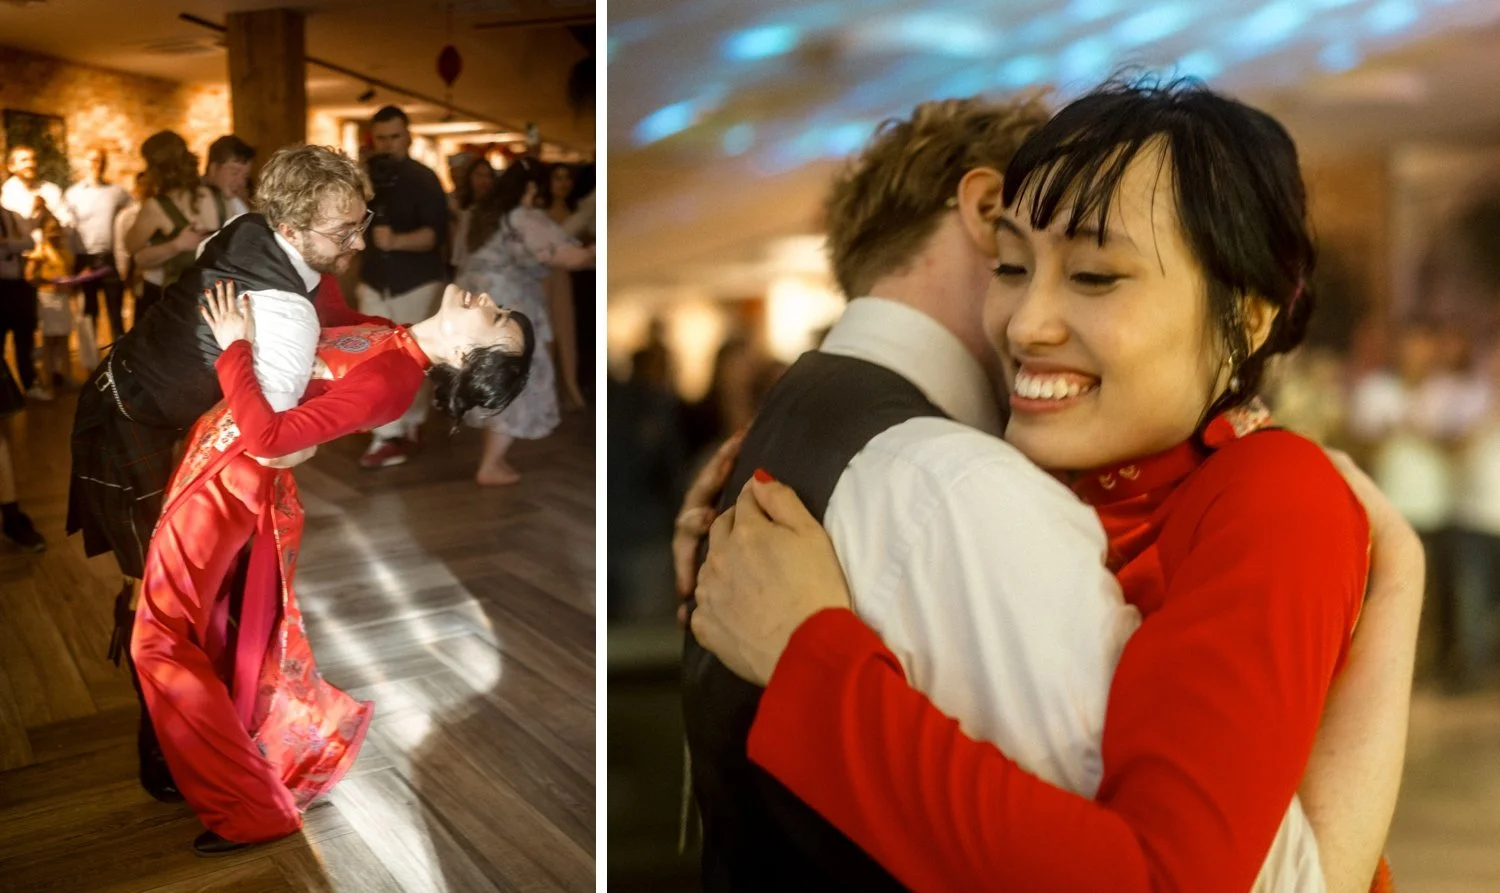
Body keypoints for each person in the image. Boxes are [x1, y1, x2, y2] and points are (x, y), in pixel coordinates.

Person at [688, 79, 1419, 892]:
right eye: (1010, 266)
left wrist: (810, 661)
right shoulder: (1076, 472)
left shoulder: (1272, 493)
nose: (1024, 323)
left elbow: (1164, 882)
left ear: (1247, 317)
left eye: (1095, 276)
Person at [136, 279, 533, 854]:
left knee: (159, 641)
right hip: (218, 465)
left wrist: (235, 346)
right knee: (187, 632)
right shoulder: (389, 336)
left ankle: (254, 812)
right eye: (501, 308)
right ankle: (203, 765)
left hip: (228, 486)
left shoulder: (393, 382)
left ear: (466, 354)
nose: (489, 300)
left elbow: (271, 439)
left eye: (495, 317)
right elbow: (327, 309)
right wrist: (314, 248)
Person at [67, 144, 387, 802]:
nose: (359, 241)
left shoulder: (244, 226)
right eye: (343, 230)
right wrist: (333, 419)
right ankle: (162, 744)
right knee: (157, 597)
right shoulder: (286, 312)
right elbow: (272, 444)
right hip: (132, 423)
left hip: (151, 406)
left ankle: (210, 720)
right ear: (289, 225)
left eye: (363, 220)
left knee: (195, 594)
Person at [457, 163, 595, 485]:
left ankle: (492, 460)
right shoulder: (521, 217)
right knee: (514, 381)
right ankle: (490, 464)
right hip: (509, 307)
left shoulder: (484, 215)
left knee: (495, 379)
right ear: (531, 187)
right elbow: (567, 257)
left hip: (479, 306)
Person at [357, 105, 451, 468]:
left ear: (408, 137)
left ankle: (406, 427)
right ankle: (389, 434)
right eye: (381, 138)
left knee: (414, 360)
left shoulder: (424, 179)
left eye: (395, 136)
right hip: (374, 281)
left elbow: (434, 235)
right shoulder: (365, 180)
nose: (388, 144)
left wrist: (395, 241)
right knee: (377, 360)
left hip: (416, 283)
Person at [124, 131, 215, 321]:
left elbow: (131, 245)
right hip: (213, 299)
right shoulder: (213, 196)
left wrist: (175, 245)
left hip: (172, 302)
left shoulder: (156, 206)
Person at [64, 147, 133, 342]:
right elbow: (67, 229)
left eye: (100, 160)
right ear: (84, 163)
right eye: (92, 160)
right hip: (83, 259)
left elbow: (134, 212)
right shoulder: (72, 194)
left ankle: (118, 356)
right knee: (88, 315)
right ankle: (90, 358)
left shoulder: (116, 192)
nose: (96, 165)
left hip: (108, 259)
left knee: (116, 313)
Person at [24, 210, 76, 390]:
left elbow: (68, 271)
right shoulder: (40, 250)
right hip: (48, 298)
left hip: (63, 298)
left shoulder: (63, 249)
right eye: (51, 230)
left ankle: (65, 376)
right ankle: (48, 381)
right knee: (49, 341)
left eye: (57, 229)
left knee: (64, 339)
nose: (55, 234)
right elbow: (30, 276)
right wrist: (51, 282)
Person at [0, 200, 43, 400]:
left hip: (18, 284)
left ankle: (29, 383)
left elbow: (30, 242)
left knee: (25, 337)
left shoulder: (12, 215)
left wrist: (7, 244)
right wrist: (13, 245)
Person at [202, 134, 255, 224]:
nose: (241, 182)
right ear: (213, 169)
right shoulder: (191, 201)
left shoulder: (236, 204)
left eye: (245, 177)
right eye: (234, 173)